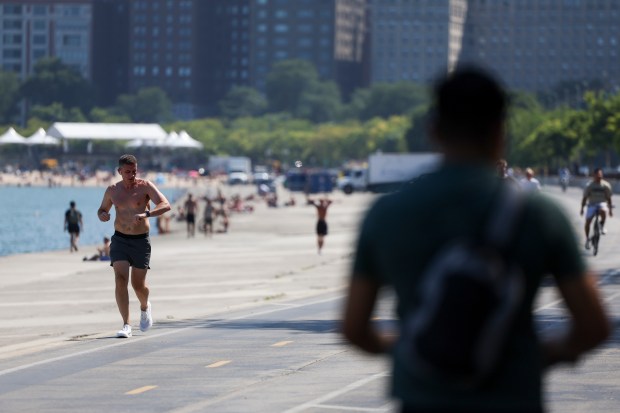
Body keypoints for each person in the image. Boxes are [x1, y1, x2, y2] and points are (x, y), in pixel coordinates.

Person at [342, 67, 610, 413]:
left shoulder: (387, 214)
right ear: (500, 133)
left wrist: (409, 347)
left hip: (423, 400)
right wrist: (542, 354)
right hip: (513, 399)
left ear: (434, 131)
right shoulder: (539, 215)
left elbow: (354, 328)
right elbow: (593, 325)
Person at [97, 154, 171, 339]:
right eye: (127, 172)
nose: (131, 175)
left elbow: (165, 204)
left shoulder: (145, 186)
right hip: (120, 240)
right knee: (120, 280)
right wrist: (103, 215)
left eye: (134, 171)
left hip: (141, 241)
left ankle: (145, 307)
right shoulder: (112, 190)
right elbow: (102, 209)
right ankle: (126, 325)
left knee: (138, 285)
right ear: (119, 171)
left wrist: (147, 214)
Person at [581, 167, 613, 249]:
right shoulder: (589, 185)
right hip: (591, 204)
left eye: (600, 175)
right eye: (597, 175)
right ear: (594, 175)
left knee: (603, 210)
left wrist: (610, 210)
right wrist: (582, 208)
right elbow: (585, 197)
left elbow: (609, 198)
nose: (599, 177)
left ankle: (601, 225)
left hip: (601, 203)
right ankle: (587, 238)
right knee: (588, 221)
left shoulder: (606, 185)